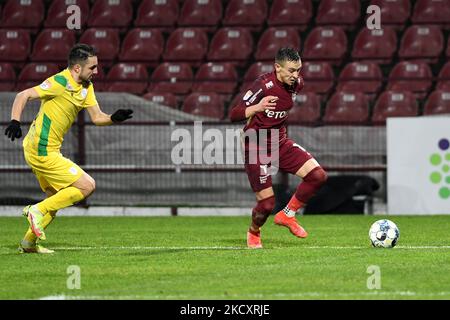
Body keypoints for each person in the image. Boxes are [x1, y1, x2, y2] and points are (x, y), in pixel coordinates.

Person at [4, 44, 133, 253]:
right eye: (92, 67)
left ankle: (28, 244)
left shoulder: (86, 88)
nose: (96, 71)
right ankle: (35, 210)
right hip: (41, 149)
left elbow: (97, 117)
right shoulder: (60, 81)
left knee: (55, 200)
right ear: (76, 69)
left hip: (43, 149)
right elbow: (23, 95)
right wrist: (15, 121)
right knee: (87, 185)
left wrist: (113, 118)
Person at [230, 47, 328, 249]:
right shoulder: (263, 86)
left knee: (318, 176)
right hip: (256, 146)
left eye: (298, 70)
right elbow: (234, 114)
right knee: (266, 205)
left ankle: (287, 215)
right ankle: (254, 231)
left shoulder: (297, 84)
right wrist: (258, 107)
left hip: (280, 143)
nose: (296, 75)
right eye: (291, 70)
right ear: (277, 67)